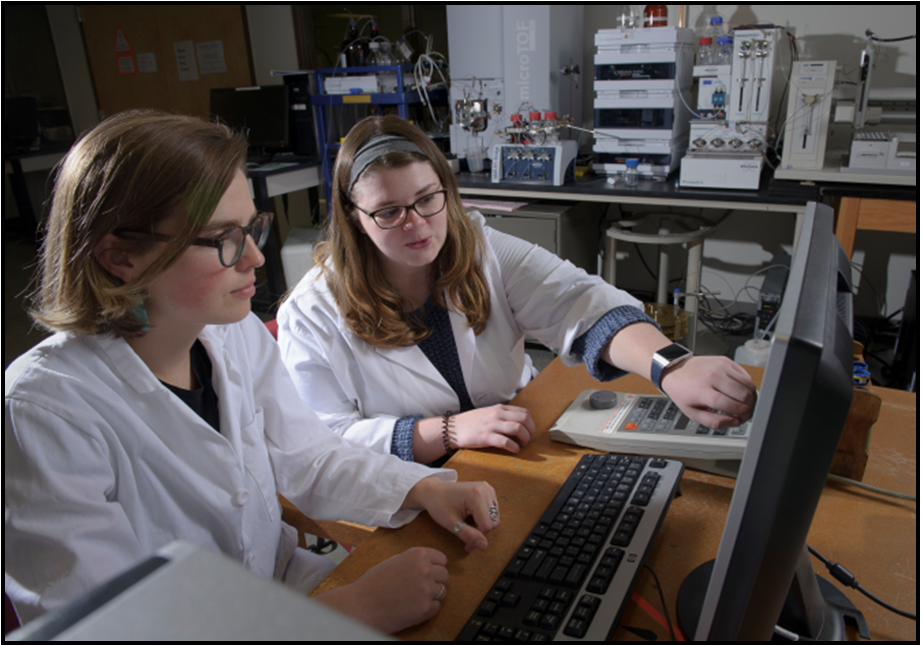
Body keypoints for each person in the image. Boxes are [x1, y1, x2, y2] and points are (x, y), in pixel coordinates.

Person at [4, 111, 500, 635]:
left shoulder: (226, 332)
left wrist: (422, 488)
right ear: (120, 257)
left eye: (250, 228)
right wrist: (346, 611)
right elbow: (109, 629)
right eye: (224, 238)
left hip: (283, 591)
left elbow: (307, 457)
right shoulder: (41, 413)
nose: (257, 258)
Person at [277, 115, 757, 466]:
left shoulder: (480, 247)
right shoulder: (313, 311)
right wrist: (447, 432)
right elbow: (325, 441)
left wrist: (672, 366)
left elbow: (581, 302)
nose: (418, 223)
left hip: (509, 441)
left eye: (427, 198)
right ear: (354, 219)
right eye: (389, 211)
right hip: (408, 477)